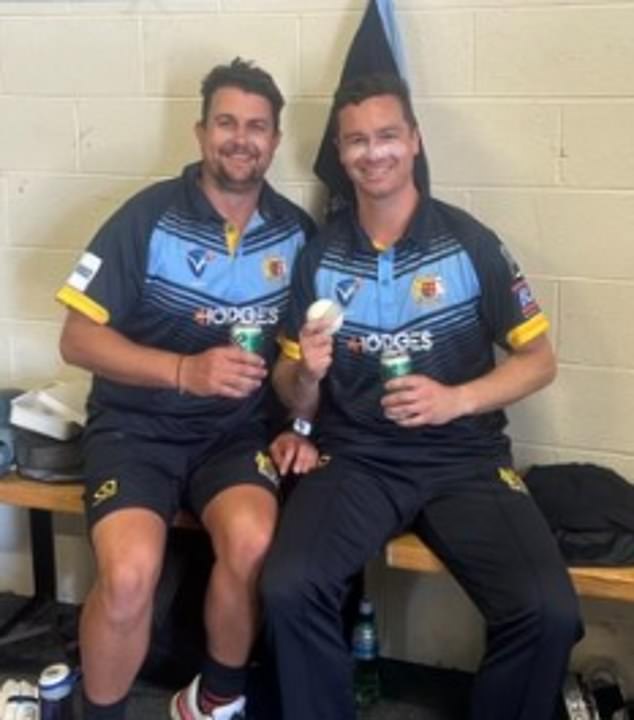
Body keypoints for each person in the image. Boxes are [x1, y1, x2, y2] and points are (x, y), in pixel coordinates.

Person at [260, 73, 582, 720]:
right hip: (356, 460)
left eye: (386, 136)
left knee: (548, 613)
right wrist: (310, 376)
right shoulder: (319, 255)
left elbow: (539, 360)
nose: (372, 153)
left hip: (464, 459)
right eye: (356, 141)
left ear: (414, 141)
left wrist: (455, 400)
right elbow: (294, 397)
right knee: (289, 587)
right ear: (340, 153)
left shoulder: (468, 242)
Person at [56, 58, 316, 720]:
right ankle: (100, 712)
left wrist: (304, 390)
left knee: (255, 543)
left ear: (275, 141)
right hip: (134, 430)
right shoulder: (144, 218)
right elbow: (78, 340)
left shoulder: (296, 234)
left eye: (257, 126)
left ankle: (214, 701)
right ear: (201, 133)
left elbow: (288, 375)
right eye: (226, 122)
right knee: (130, 575)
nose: (241, 138)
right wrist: (183, 371)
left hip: (231, 437)